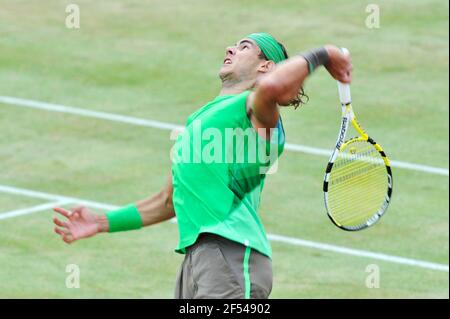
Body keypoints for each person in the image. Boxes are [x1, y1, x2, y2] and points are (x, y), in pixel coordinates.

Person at [52, 32, 352, 299]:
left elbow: (273, 87)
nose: (230, 48)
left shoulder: (256, 111)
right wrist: (102, 222)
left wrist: (324, 53)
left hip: (233, 255)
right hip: (199, 260)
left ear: (266, 65)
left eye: (244, 47)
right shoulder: (199, 121)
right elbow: (168, 201)